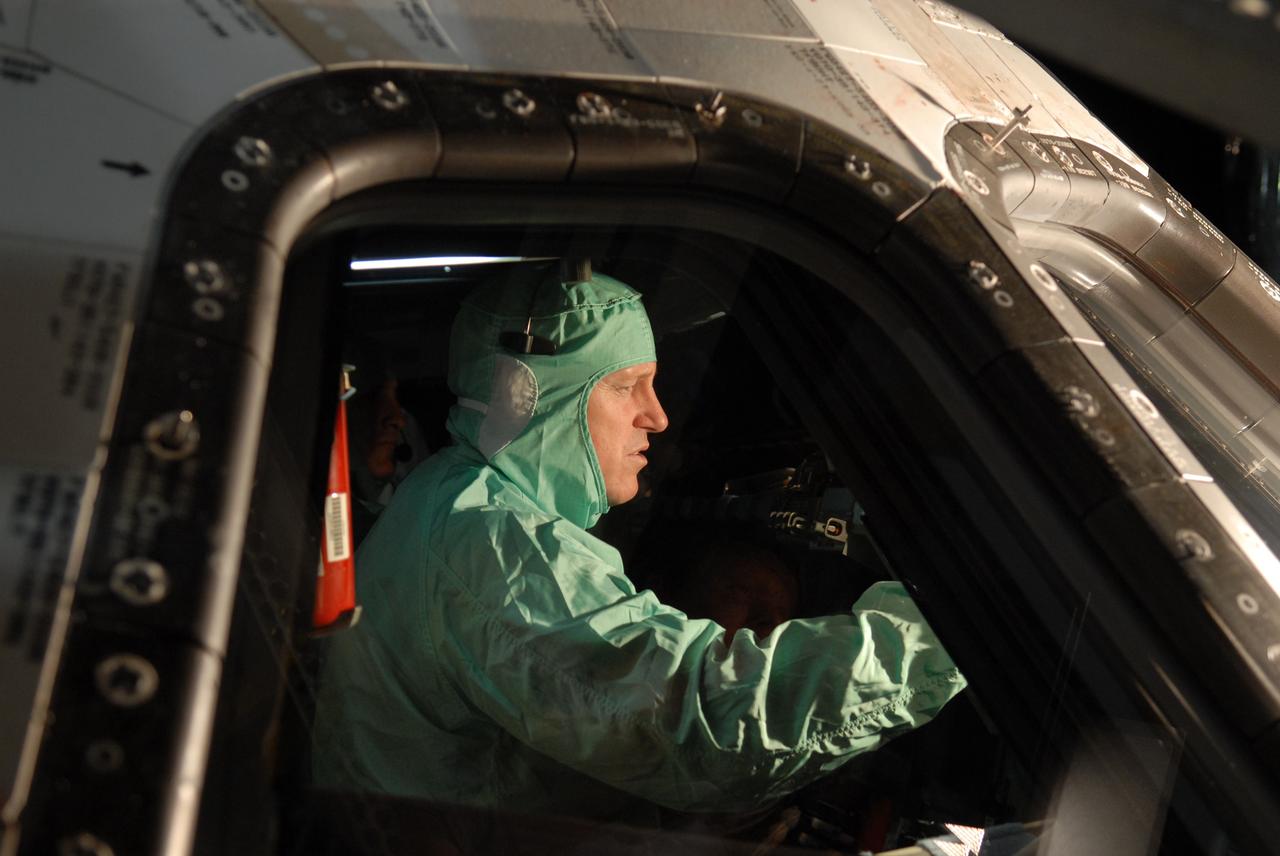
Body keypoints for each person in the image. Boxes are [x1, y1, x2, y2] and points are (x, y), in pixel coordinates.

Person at [312, 269, 966, 821]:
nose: (656, 415)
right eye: (627, 387)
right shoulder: (489, 536)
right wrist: (947, 636)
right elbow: (698, 720)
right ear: (529, 396)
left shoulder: (453, 498)